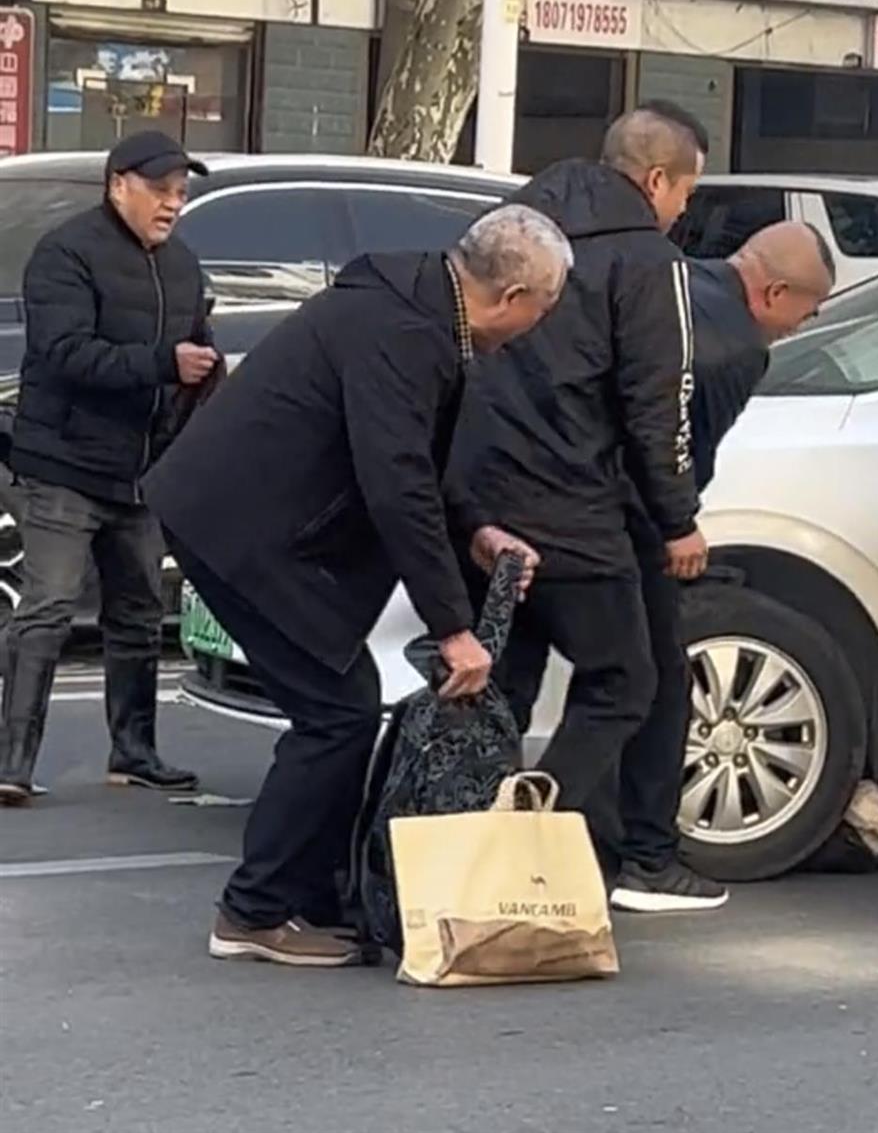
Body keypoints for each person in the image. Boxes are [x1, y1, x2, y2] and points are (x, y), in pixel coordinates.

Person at [143, 207, 571, 968]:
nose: (540, 326)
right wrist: (453, 627)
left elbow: (414, 459)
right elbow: (395, 480)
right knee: (336, 713)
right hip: (240, 526)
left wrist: (476, 529)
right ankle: (253, 911)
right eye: (545, 308)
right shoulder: (406, 332)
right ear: (512, 296)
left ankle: (311, 895)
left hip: (248, 515)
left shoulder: (418, 304)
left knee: (342, 701)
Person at [499, 221, 836, 911]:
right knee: (647, 679)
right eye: (809, 310)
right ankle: (632, 854)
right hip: (616, 519)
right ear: (774, 293)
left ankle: (506, 836)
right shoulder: (737, 348)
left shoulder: (678, 282)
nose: (806, 324)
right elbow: (677, 447)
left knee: (533, 677)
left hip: (526, 493)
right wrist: (676, 526)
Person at [450, 107, 708, 841]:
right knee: (625, 679)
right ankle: (532, 823)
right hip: (573, 505)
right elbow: (658, 403)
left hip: (478, 499)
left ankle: (459, 835)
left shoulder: (506, 228)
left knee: (501, 682)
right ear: (655, 180)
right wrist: (678, 519)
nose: (682, 211)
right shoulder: (649, 261)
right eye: (685, 192)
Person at [0, 131, 217, 807]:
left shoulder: (183, 265)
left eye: (181, 192)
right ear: (118, 184)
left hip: (141, 470)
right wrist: (162, 363)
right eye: (160, 190)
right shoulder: (66, 252)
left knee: (139, 612)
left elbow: (196, 348)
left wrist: (203, 380)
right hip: (63, 462)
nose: (172, 204)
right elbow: (64, 352)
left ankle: (135, 752)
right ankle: (12, 763)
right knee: (49, 607)